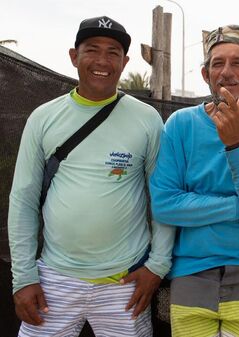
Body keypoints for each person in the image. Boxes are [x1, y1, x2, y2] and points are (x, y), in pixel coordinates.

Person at [8, 16, 175, 336]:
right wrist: (24, 277)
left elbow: (164, 197)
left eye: (113, 52)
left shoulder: (147, 119)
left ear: (125, 62)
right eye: (92, 50)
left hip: (125, 283)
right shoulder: (43, 118)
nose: (102, 61)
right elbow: (23, 200)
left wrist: (157, 266)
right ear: (74, 56)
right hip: (53, 281)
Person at [149, 25, 239, 337]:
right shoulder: (180, 124)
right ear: (205, 74)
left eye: (238, 63)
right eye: (217, 63)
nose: (226, 72)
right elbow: (164, 205)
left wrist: (235, 145)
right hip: (191, 269)